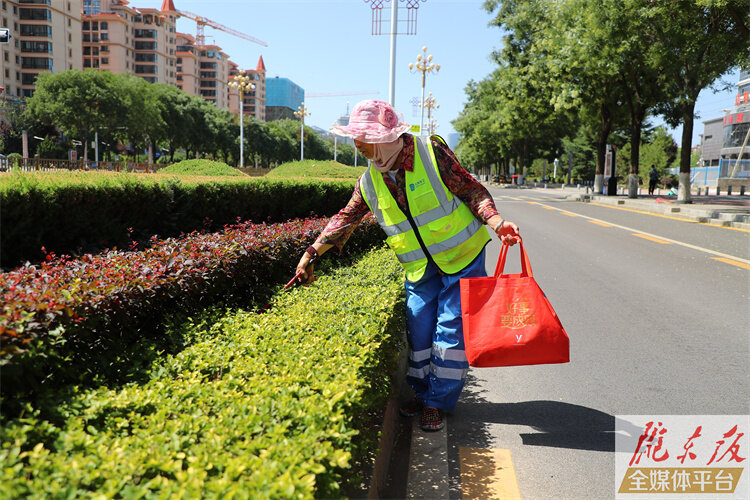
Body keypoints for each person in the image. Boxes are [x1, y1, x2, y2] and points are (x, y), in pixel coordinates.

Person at [295, 100, 520, 432]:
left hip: (462, 257)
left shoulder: (432, 153)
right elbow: (346, 218)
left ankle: (436, 403)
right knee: (419, 330)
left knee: (450, 332)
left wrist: (496, 222)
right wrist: (313, 251)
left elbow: (470, 189)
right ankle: (422, 391)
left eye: (366, 139)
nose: (362, 149)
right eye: (358, 141)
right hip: (420, 268)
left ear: (389, 137)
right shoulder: (369, 181)